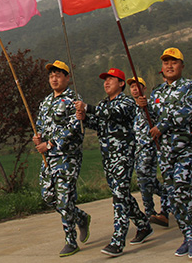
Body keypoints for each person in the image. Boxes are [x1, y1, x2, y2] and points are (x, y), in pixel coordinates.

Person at [75, 68, 153, 257]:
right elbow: (99, 124)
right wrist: (85, 119)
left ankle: (118, 240)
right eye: (105, 79)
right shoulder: (103, 104)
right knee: (122, 193)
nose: (107, 82)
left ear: (121, 84)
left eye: (112, 79)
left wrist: (89, 108)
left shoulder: (126, 102)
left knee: (119, 196)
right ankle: (143, 224)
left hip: (123, 156)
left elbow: (112, 114)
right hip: (108, 156)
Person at [139, 48, 192, 259]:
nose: (169, 65)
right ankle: (186, 234)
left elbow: (188, 111)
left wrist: (162, 126)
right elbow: (153, 118)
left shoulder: (190, 87)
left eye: (174, 62)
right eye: (166, 62)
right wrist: (144, 108)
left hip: (185, 148)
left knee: (185, 190)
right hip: (165, 152)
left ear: (181, 66)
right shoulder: (157, 92)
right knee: (174, 196)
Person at [33, 60, 90, 257]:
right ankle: (81, 217)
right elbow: (40, 125)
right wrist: (38, 137)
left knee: (64, 200)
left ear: (67, 78)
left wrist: (50, 143)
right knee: (49, 198)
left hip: (67, 157)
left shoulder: (74, 99)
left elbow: (75, 126)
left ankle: (70, 241)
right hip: (48, 159)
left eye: (58, 75)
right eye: (51, 75)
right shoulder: (46, 102)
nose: (54, 78)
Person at [128, 76, 167, 227]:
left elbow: (156, 118)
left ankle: (164, 202)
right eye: (132, 87)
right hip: (137, 150)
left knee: (146, 180)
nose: (135, 89)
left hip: (149, 147)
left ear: (143, 88)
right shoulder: (131, 106)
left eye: (138, 86)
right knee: (144, 182)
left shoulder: (149, 104)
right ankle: (151, 211)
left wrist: (145, 107)